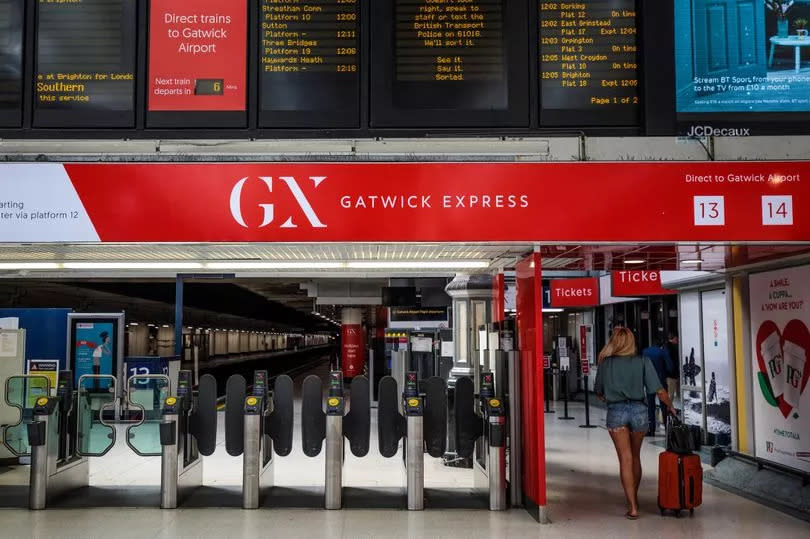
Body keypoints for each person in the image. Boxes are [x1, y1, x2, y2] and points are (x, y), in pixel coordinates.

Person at [594, 327, 676, 520]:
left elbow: (598, 391)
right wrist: (671, 407)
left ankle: (632, 506)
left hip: (616, 412)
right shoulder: (643, 361)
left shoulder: (606, 364)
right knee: (636, 457)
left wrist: (610, 397)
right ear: (632, 342)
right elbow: (659, 390)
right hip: (639, 411)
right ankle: (635, 498)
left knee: (625, 459)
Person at [641, 341, 673, 436]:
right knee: (664, 405)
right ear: (661, 345)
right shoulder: (663, 352)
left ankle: (651, 430)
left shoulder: (645, 351)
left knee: (651, 406)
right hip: (661, 381)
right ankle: (667, 429)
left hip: (648, 381)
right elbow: (670, 367)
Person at [665, 331, 680, 399]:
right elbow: (670, 362)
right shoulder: (670, 348)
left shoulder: (667, 347)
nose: (678, 340)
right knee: (671, 394)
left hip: (672, 374)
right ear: (673, 338)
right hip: (672, 374)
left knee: (672, 393)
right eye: (676, 339)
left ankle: (670, 408)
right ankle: (668, 409)